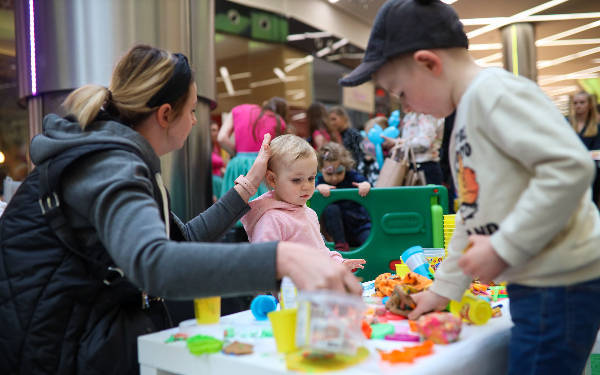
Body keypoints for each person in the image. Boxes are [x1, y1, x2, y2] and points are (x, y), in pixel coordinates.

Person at [0, 45, 361, 375]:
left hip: (73, 331)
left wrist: (248, 186)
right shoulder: (109, 165)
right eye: (191, 111)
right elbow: (154, 263)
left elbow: (182, 238)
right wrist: (282, 258)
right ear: (165, 114)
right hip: (55, 347)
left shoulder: (116, 158)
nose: (194, 121)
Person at [339, 1, 600, 375]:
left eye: (401, 93)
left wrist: (504, 245)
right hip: (539, 284)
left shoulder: (493, 94)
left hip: (561, 285)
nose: (406, 106)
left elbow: (570, 168)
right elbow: (471, 212)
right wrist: (445, 287)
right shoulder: (465, 114)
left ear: (429, 63)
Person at [241, 134, 366, 271]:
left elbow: (320, 252)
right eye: (296, 180)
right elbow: (263, 264)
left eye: (311, 178)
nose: (306, 186)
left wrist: (338, 263)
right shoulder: (272, 219)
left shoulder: (309, 213)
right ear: (272, 179)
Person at [218, 97, 287, 199]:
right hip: (262, 167)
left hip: (236, 166)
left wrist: (237, 154)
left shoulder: (239, 109)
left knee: (231, 206)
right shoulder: (279, 121)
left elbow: (222, 138)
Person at [316, 142, 372, 252]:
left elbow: (365, 183)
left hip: (359, 224)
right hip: (338, 231)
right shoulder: (320, 180)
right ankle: (341, 244)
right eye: (329, 173)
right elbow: (311, 189)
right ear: (321, 169)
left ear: (345, 167)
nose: (334, 177)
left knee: (369, 243)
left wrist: (365, 185)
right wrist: (319, 187)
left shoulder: (351, 176)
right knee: (331, 208)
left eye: (339, 172)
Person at [397, 99, 444, 185]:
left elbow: (424, 143)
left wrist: (401, 144)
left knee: (426, 197)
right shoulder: (410, 116)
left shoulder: (427, 114)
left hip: (426, 167)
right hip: (413, 166)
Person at [568, 91, 600, 207]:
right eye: (575, 103)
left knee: (590, 204)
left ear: (589, 105)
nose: (578, 106)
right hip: (571, 170)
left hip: (591, 173)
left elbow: (597, 152)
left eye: (582, 102)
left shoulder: (597, 126)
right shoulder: (566, 123)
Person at [210, 122, 228, 201]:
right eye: (213, 130)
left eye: (217, 130)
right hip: (213, 184)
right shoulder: (205, 148)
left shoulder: (216, 147)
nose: (216, 133)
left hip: (219, 182)